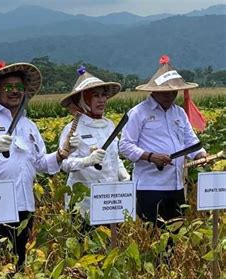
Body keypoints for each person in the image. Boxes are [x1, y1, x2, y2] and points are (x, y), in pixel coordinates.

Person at [0, 61, 77, 279]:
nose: (14, 91)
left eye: (18, 87)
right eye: (8, 87)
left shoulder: (29, 126)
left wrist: (60, 155)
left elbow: (41, 164)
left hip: (23, 204)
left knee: (19, 260)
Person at [119, 55, 207, 226]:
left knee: (176, 235)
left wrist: (200, 155)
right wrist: (150, 156)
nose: (170, 95)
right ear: (154, 91)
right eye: (165, 91)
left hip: (176, 186)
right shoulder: (138, 113)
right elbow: (125, 146)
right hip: (150, 187)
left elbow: (190, 141)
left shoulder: (179, 113)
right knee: (152, 237)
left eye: (174, 91)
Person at [59, 66, 129, 219]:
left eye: (104, 95)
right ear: (83, 100)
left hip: (111, 198)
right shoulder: (72, 129)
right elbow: (64, 164)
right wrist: (86, 161)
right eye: (96, 96)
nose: (102, 100)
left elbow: (114, 156)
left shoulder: (109, 125)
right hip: (84, 201)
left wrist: (122, 172)